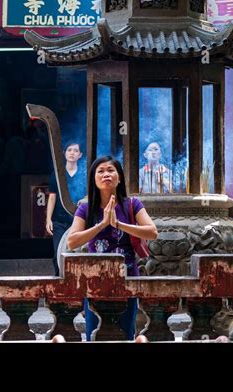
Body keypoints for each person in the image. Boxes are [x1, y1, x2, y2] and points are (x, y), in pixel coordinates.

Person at [67, 155, 158, 340]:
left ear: (120, 177)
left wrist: (118, 224)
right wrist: (101, 225)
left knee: (125, 331)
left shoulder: (132, 204)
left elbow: (152, 232)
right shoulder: (85, 208)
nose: (106, 174)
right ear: (94, 178)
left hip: (127, 276)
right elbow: (72, 241)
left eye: (111, 170)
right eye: (100, 171)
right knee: (95, 331)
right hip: (95, 280)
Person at [46, 141, 86, 276]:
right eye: (69, 150)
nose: (72, 153)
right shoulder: (57, 174)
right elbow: (52, 197)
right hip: (59, 220)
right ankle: (59, 283)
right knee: (58, 251)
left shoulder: (85, 175)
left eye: (75, 151)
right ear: (64, 153)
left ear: (80, 155)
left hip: (80, 221)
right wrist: (48, 219)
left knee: (79, 253)